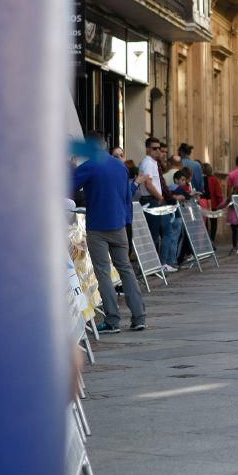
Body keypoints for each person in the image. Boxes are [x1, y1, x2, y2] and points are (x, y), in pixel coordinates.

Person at [71, 132, 146, 333]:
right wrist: (126, 221)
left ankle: (113, 320)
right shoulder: (120, 166)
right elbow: (126, 195)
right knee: (126, 270)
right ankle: (139, 316)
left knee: (103, 273)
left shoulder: (89, 166)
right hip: (119, 224)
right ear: (105, 145)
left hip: (97, 226)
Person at [139, 137, 166, 249]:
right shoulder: (148, 163)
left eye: (159, 148)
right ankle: (152, 264)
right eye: (155, 148)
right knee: (152, 235)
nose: (158, 151)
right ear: (147, 149)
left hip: (153, 200)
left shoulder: (153, 163)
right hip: (150, 200)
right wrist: (160, 197)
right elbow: (148, 184)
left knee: (156, 233)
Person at [202, 163, 223, 243]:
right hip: (214, 205)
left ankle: (206, 240)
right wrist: (220, 204)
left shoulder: (202, 179)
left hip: (204, 204)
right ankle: (212, 240)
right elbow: (218, 193)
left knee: (205, 223)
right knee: (213, 224)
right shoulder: (214, 179)